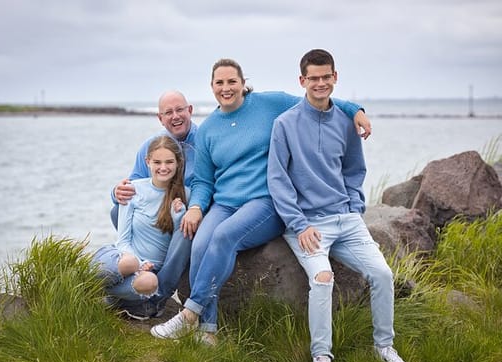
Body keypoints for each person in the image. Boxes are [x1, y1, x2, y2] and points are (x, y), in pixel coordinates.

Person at [150, 58, 372, 346]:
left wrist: (356, 111)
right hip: (225, 203)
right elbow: (204, 181)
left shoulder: (270, 104)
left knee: (225, 235)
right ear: (212, 87)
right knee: (201, 242)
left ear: (243, 83)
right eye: (220, 82)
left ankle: (189, 314)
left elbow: (317, 97)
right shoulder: (208, 129)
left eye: (232, 81)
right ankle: (208, 330)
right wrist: (195, 207)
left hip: (265, 202)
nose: (226, 87)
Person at [266, 49, 416, 362]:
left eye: (326, 77)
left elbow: (353, 169)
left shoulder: (346, 122)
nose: (320, 83)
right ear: (302, 81)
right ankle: (322, 358)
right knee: (322, 277)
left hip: (345, 219)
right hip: (306, 223)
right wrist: (299, 224)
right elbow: (277, 179)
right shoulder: (285, 124)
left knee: (382, 274)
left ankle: (384, 348)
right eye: (313, 78)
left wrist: (353, 205)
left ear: (335, 77)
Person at [108, 91, 197, 319]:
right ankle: (137, 269)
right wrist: (115, 192)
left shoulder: (204, 141)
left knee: (186, 225)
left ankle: (159, 292)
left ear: (190, 110)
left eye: (179, 110)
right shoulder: (151, 146)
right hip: (157, 219)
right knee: (116, 210)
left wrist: (195, 209)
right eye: (168, 112)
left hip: (189, 213)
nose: (175, 116)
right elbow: (134, 188)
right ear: (160, 118)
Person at [94, 135, 190, 313]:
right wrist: (138, 263)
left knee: (150, 282)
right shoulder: (133, 189)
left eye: (169, 162)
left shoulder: (186, 195)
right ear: (148, 162)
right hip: (121, 259)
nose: (163, 167)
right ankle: (80, 287)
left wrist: (178, 219)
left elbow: (180, 246)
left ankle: (106, 297)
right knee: (129, 262)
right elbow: (122, 241)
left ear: (178, 163)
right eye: (157, 162)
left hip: (147, 272)